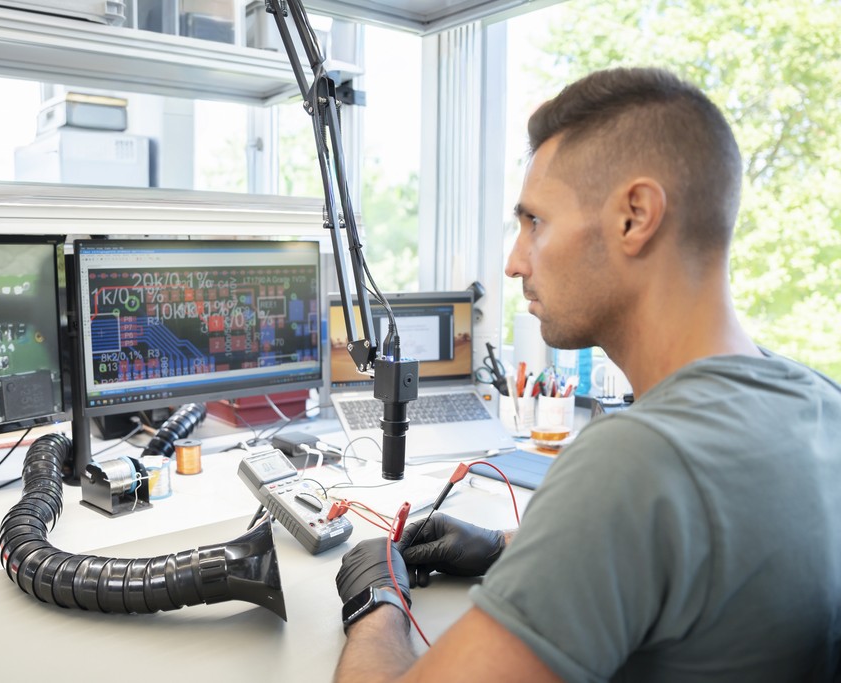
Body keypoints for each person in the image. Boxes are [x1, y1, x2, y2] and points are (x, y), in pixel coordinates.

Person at [332, 67, 841, 682]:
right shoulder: (819, 403)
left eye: (535, 222)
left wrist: (375, 601)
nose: (514, 262)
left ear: (635, 216)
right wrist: (507, 547)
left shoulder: (636, 462)